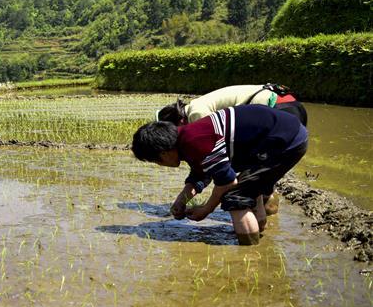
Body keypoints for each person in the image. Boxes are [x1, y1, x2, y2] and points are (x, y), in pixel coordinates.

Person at [132, 104, 308, 245]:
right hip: (282, 138)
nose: (162, 165)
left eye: (157, 161)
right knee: (249, 189)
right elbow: (202, 173)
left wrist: (206, 209)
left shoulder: (195, 141)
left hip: (285, 141)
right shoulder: (186, 137)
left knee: (235, 196)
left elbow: (227, 181)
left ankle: (250, 256)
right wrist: (181, 200)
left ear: (163, 153)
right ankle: (258, 238)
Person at [157, 84, 307, 126]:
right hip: (289, 103)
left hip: (279, 109)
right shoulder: (197, 105)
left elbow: (216, 147)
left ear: (179, 121)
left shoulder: (197, 114)